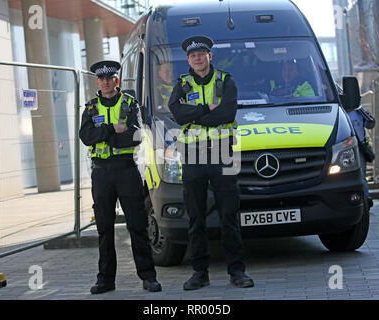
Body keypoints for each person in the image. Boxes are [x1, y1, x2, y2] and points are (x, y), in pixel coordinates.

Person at [168, 35, 254, 290]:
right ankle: (199, 273)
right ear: (188, 60)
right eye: (193, 56)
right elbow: (177, 114)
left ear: (209, 56)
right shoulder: (182, 85)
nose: (197, 58)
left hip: (221, 152)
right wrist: (207, 109)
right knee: (195, 217)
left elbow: (227, 113)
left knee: (229, 214)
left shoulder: (225, 81)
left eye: (202, 54)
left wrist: (194, 114)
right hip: (192, 153)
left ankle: (237, 272)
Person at [80, 60, 161, 294]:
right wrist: (111, 130)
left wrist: (103, 136)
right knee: (104, 228)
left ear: (117, 80)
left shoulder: (129, 104)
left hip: (126, 170)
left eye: (110, 78)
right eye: (101, 79)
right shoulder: (91, 108)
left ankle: (148, 277)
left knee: (137, 225)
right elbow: (85, 136)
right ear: (97, 82)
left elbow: (135, 136)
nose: (106, 82)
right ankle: (105, 280)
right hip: (102, 172)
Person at [349, 106, 376, 209]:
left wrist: (370, 118)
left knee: (362, 175)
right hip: (343, 149)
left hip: (359, 149)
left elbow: (370, 125)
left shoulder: (358, 111)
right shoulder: (339, 109)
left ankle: (365, 201)